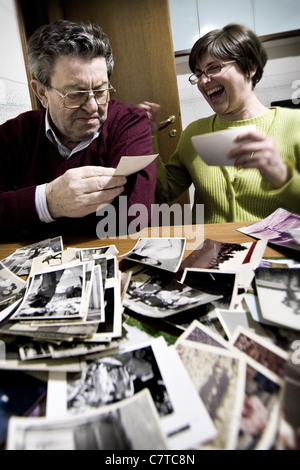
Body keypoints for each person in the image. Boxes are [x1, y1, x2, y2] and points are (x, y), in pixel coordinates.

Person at [0, 20, 156, 239]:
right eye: (75, 94)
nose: (93, 106)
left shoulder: (130, 122)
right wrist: (49, 200)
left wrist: (25, 209)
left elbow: (133, 214)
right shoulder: (12, 135)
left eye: (101, 91)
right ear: (42, 93)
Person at [147, 24, 300, 224]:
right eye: (198, 73)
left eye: (213, 68)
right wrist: (148, 138)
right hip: (211, 252)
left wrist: (283, 176)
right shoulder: (193, 133)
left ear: (250, 67)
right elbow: (165, 192)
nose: (203, 81)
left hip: (271, 253)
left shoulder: (294, 124)